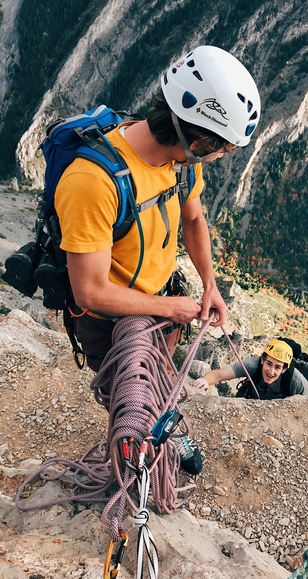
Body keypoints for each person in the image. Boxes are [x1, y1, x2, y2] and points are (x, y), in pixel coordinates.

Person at [54, 45, 261, 473]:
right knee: (129, 394)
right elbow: (89, 289)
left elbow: (194, 217)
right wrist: (169, 307)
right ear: (198, 139)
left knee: (162, 376)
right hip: (109, 322)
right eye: (222, 148)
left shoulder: (181, 164)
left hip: (163, 303)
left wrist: (209, 283)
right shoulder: (93, 181)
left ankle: (168, 424)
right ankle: (133, 460)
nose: (221, 156)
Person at [194, 339, 308, 399]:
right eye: (269, 364)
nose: (271, 371)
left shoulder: (296, 382)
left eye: (277, 367)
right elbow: (219, 374)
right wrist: (205, 380)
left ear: (284, 369)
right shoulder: (252, 365)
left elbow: (306, 409)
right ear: (262, 360)